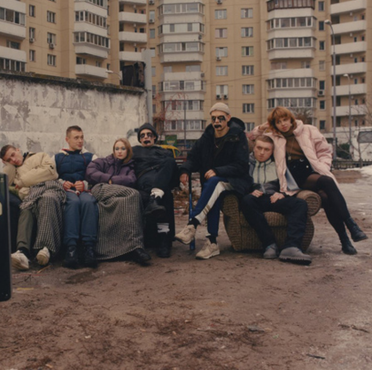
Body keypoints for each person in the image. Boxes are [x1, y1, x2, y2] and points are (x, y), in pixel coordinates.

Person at [249, 106, 367, 255]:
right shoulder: (274, 136)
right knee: (327, 182)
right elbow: (252, 137)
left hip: (309, 171)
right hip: (291, 176)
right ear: (274, 124)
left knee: (326, 197)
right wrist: (263, 127)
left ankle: (345, 239)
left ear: (291, 119)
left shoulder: (309, 130)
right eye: (278, 122)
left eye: (285, 119)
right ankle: (351, 226)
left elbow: (325, 151)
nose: (283, 124)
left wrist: (322, 167)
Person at [175, 102, 252, 259]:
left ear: (228, 118)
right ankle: (212, 243)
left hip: (235, 181)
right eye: (214, 118)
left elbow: (241, 165)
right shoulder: (207, 137)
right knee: (213, 188)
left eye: (221, 118)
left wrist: (218, 171)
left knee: (214, 183)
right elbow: (193, 157)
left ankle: (192, 225)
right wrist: (185, 170)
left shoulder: (238, 136)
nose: (217, 122)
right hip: (214, 183)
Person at [241, 135, 312, 264]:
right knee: (247, 200)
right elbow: (237, 183)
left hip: (274, 197)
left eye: (267, 149)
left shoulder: (278, 164)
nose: (262, 152)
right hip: (255, 199)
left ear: (272, 151)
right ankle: (269, 244)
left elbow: (290, 184)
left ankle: (291, 247)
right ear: (254, 148)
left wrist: (282, 193)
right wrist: (249, 191)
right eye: (259, 148)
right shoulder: (244, 164)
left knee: (300, 204)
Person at [85, 138, 152, 266]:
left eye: (123, 149)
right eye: (117, 149)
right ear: (113, 150)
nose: (119, 151)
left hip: (117, 194)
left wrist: (112, 181)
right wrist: (108, 179)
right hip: (100, 189)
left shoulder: (130, 167)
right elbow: (90, 171)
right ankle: (137, 247)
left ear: (128, 151)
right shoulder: (104, 161)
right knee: (134, 194)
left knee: (127, 202)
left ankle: (132, 247)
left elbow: (131, 180)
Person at [1, 145, 64, 271]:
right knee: (26, 208)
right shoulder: (14, 171)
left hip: (49, 187)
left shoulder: (39, 156)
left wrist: (23, 181)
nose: (14, 160)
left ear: (18, 150)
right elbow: (3, 183)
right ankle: (22, 252)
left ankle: (45, 249)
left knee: (47, 200)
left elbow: (50, 172)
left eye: (13, 155)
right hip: (31, 195)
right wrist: (8, 166)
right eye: (9, 160)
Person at [131, 123, 179, 258]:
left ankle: (164, 240)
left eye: (149, 134)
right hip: (144, 183)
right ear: (140, 139)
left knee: (170, 163)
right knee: (164, 195)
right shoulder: (134, 151)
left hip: (162, 182)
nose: (146, 137)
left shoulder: (165, 152)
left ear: (154, 137)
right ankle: (155, 199)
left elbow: (173, 176)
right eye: (142, 135)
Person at [55, 126, 99, 269]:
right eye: (76, 138)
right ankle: (71, 249)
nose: (80, 141)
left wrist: (85, 184)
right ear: (67, 139)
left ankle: (89, 249)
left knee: (88, 202)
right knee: (72, 203)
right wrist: (62, 183)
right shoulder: (57, 157)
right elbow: (51, 177)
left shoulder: (90, 157)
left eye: (81, 137)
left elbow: (97, 175)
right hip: (67, 192)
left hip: (84, 190)